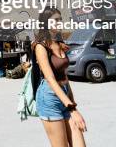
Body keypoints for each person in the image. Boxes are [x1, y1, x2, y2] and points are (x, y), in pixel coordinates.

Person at [33, 8, 87, 147]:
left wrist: (73, 106)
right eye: (55, 20)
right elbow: (50, 79)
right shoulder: (41, 46)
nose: (59, 22)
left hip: (64, 95)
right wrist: (70, 107)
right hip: (49, 99)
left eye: (60, 19)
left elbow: (65, 78)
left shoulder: (59, 44)